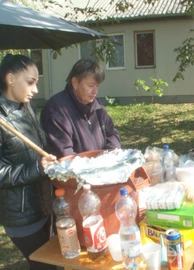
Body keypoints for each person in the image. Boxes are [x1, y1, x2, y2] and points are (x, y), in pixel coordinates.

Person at [0, 54, 57, 270]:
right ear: (11, 79)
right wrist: (36, 168)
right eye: (30, 82)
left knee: (54, 262)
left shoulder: (26, 107)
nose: (35, 90)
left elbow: (37, 150)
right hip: (21, 216)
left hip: (42, 204)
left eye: (37, 83)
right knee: (45, 267)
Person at [40, 59, 121, 158]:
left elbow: (112, 134)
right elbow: (65, 154)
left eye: (97, 86)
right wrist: (95, 165)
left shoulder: (97, 106)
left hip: (101, 168)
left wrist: (107, 157)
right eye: (91, 85)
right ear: (75, 83)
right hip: (76, 171)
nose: (95, 91)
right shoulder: (57, 109)